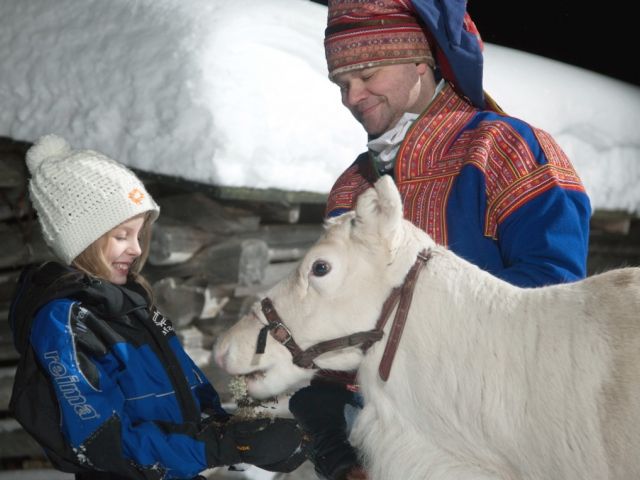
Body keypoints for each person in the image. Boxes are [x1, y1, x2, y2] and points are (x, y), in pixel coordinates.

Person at [289, 1, 592, 479]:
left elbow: (552, 295)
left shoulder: (505, 149)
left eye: (367, 73)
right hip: (379, 442)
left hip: (500, 436)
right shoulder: (352, 188)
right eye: (341, 84)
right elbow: (335, 320)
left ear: (418, 60)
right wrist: (327, 413)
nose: (352, 95)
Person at [9, 134, 307, 480]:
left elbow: (188, 399)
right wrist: (221, 445)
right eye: (122, 235)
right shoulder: (66, 321)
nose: (136, 249)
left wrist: (243, 435)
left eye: (139, 235)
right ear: (84, 239)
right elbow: (104, 441)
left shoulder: (134, 306)